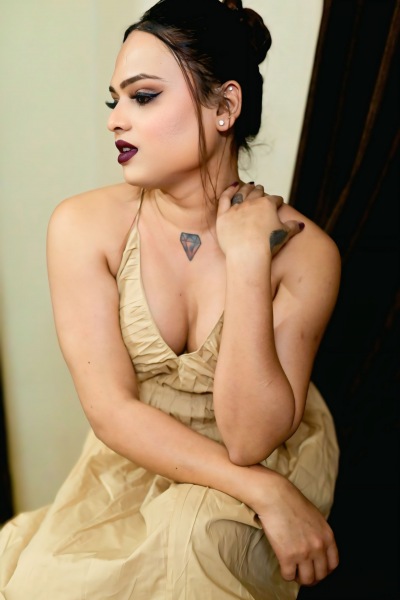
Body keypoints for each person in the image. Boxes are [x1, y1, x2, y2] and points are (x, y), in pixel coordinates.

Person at [0, 0, 341, 598]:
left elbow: (249, 440)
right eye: (114, 101)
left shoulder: (307, 253)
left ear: (225, 107)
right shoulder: (82, 226)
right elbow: (112, 411)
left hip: (258, 460)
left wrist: (247, 259)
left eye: (143, 96)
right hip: (136, 457)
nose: (116, 121)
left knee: (195, 545)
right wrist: (268, 493)